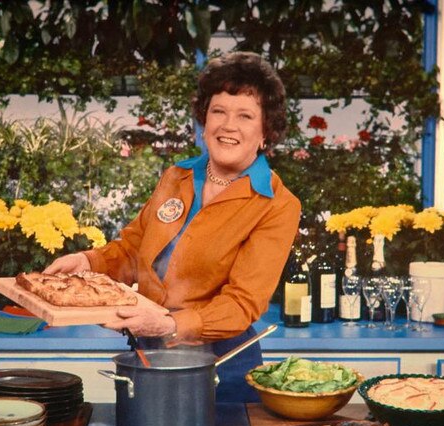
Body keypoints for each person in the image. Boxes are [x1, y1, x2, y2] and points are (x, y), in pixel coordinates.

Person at [45, 51, 301, 402]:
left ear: (265, 132)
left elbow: (242, 304)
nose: (228, 125)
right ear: (203, 119)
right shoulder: (176, 177)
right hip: (147, 354)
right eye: (218, 112)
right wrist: (89, 262)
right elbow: (133, 250)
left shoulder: (277, 204)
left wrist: (170, 326)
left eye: (245, 115)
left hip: (220, 369)